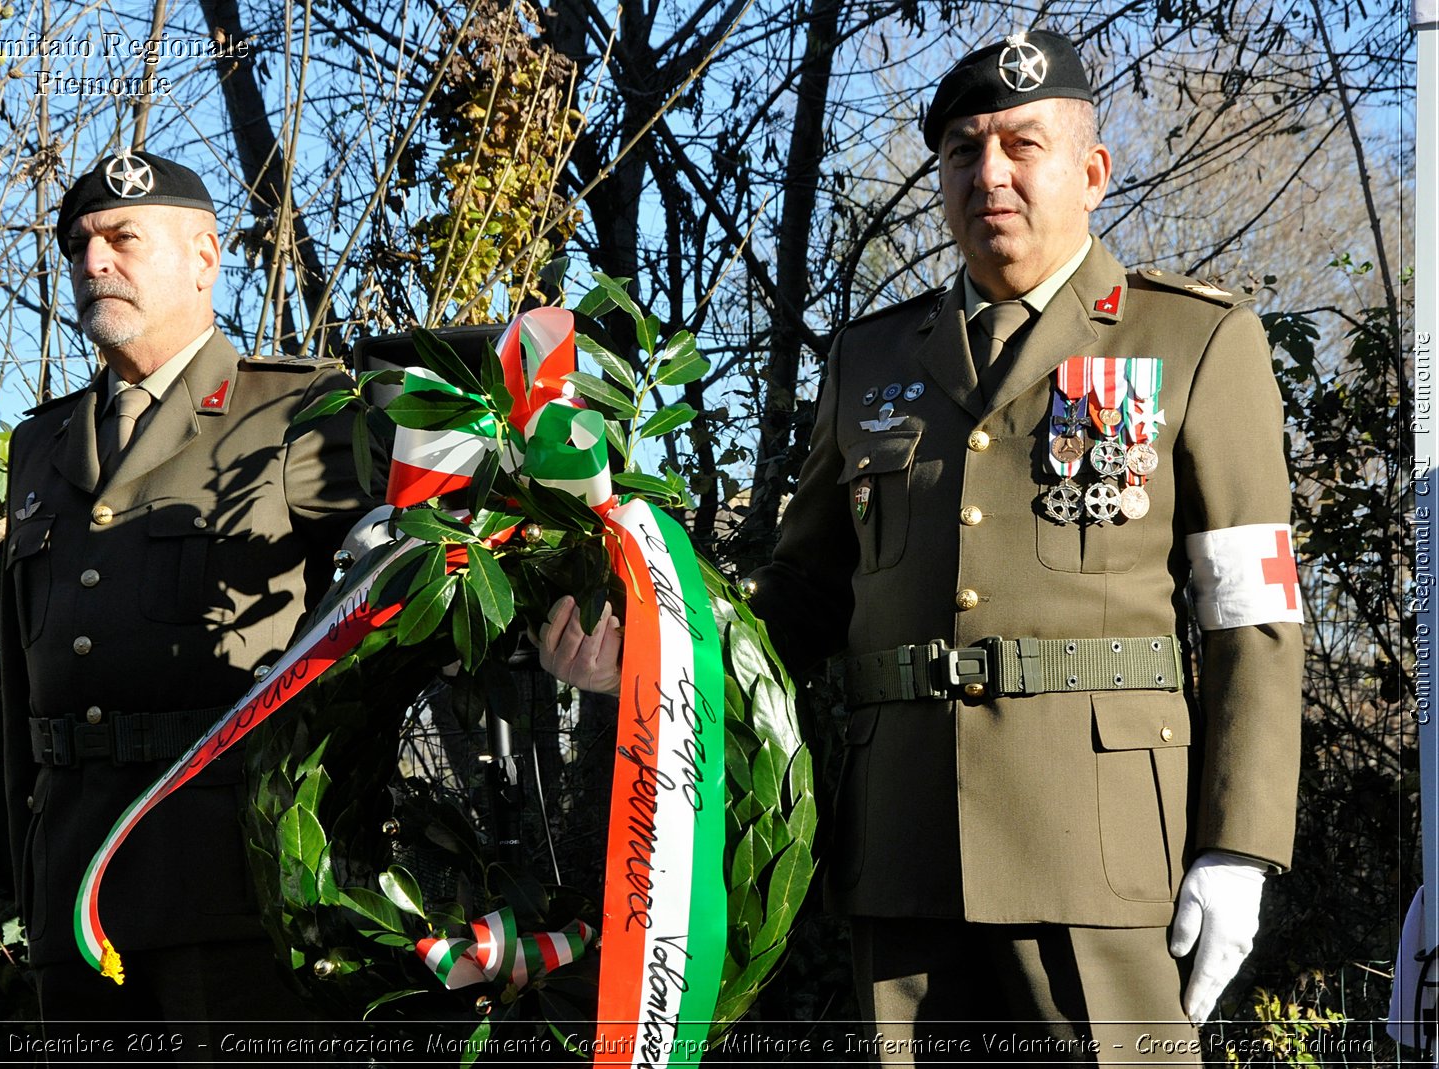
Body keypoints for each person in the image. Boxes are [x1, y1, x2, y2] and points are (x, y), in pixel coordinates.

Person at [539, 28, 1303, 1062]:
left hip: (1103, 853)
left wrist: (1237, 844)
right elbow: (805, 594)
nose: (988, 172)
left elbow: (1249, 614)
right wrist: (650, 657)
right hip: (903, 851)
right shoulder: (868, 359)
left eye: (1020, 144)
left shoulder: (1191, 340)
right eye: (960, 150)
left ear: (1091, 171)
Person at [0, 151, 372, 1041]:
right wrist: (35, 887)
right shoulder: (40, 444)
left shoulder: (296, 413)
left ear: (204, 257)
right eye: (79, 245)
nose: (92, 263)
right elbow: (19, 694)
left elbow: (405, 596)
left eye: (122, 238)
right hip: (75, 894)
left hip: (231, 889)